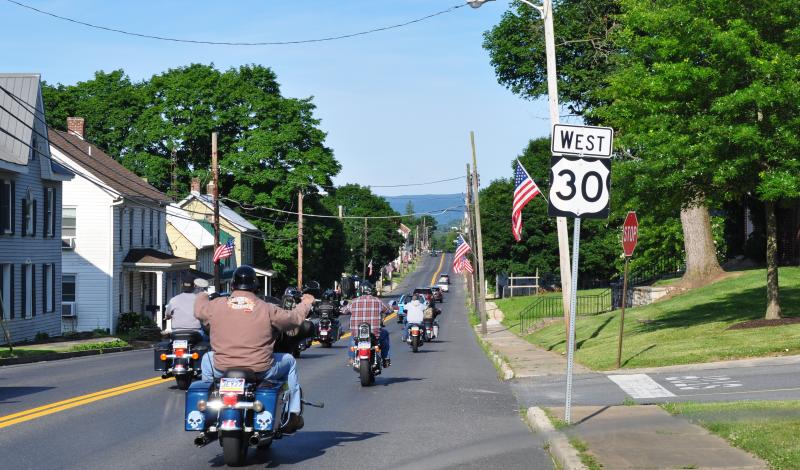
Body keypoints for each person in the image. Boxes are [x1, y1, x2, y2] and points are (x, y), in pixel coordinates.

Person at [195, 265, 314, 434]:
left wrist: (202, 293)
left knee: (207, 358)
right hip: (259, 369)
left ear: (232, 285)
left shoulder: (216, 306)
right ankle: (293, 414)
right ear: (256, 286)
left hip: (222, 367)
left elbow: (198, 310)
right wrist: (306, 303)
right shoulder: (267, 308)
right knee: (290, 361)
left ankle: (212, 397)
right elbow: (294, 319)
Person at [343, 285, 391, 367]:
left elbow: (344, 311)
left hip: (357, 334)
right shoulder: (378, 301)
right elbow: (388, 310)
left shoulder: (353, 302)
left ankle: (351, 358)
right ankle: (385, 358)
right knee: (385, 334)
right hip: (374, 334)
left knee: (353, 338)